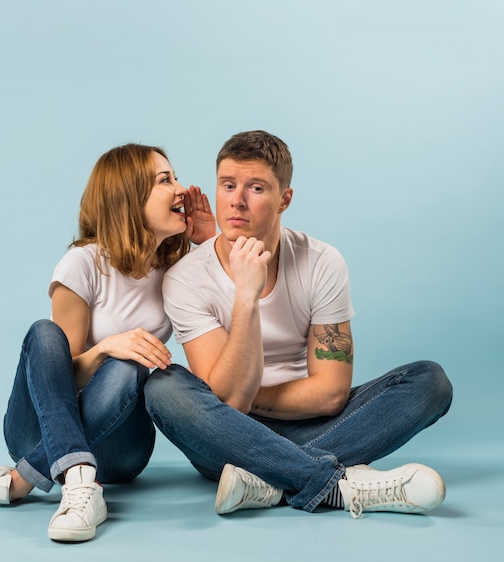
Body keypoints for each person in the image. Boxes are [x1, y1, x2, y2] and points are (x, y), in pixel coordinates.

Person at [144, 130, 453, 519]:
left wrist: (235, 405)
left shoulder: (321, 262)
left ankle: (267, 480)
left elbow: (330, 395)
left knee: (430, 381)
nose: (237, 200)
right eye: (228, 185)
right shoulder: (186, 278)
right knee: (162, 387)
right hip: (223, 437)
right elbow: (229, 402)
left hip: (307, 426)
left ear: (284, 199)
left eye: (256, 187)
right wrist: (246, 295)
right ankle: (332, 484)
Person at [0, 143, 215, 542]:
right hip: (37, 433)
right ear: (128, 196)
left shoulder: (178, 273)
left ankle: (18, 482)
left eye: (175, 177)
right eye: (166, 180)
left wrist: (210, 242)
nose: (182, 189)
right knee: (46, 334)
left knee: (131, 366)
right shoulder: (83, 263)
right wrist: (105, 348)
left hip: (119, 451)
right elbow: (60, 379)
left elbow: (229, 317)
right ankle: (79, 484)